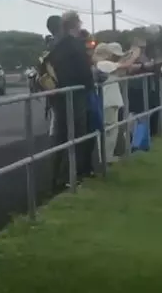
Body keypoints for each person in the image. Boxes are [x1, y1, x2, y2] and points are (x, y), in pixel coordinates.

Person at [46, 11, 96, 189]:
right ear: (76, 24)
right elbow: (84, 72)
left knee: (60, 137)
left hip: (59, 96)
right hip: (76, 95)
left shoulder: (54, 45)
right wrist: (91, 85)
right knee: (76, 136)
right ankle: (70, 178)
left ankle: (55, 178)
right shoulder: (75, 45)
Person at [95, 42, 127, 164]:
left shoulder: (107, 65)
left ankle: (105, 157)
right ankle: (106, 158)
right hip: (108, 101)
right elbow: (125, 65)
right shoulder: (103, 64)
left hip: (110, 101)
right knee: (110, 131)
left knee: (109, 131)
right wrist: (134, 54)